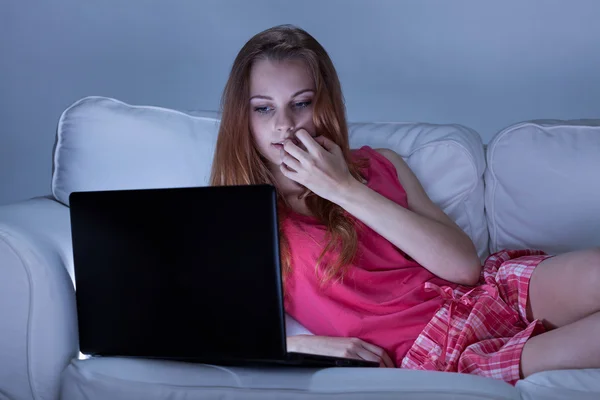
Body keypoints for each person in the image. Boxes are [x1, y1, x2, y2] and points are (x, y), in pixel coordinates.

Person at [209, 24, 600, 385]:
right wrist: (300, 346)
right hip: (442, 353)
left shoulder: (382, 163)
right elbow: (204, 329)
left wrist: (344, 187)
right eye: (263, 107)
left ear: (324, 105)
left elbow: (465, 269)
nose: (284, 125)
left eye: (301, 103)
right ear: (242, 117)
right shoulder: (242, 216)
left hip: (488, 292)